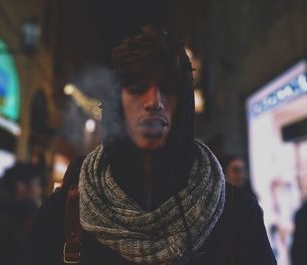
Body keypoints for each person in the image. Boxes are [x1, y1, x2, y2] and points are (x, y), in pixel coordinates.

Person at [31, 25, 276, 265]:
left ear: (184, 103)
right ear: (117, 102)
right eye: (137, 88)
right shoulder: (63, 214)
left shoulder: (237, 216)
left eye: (168, 89)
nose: (153, 102)